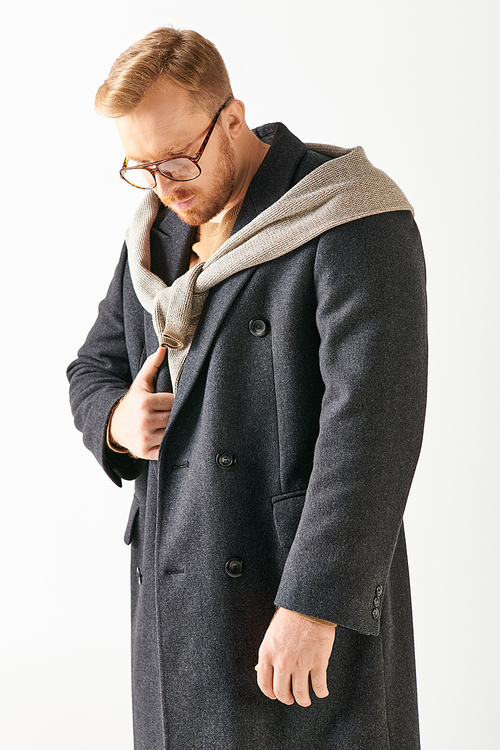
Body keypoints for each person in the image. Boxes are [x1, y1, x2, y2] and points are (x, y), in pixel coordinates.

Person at [67, 26, 427, 750]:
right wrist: (116, 421)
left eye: (177, 161)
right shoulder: (156, 235)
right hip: (178, 596)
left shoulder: (352, 218)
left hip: (290, 589)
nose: (164, 188)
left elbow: (374, 430)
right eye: (141, 168)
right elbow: (92, 367)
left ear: (232, 119)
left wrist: (313, 606)